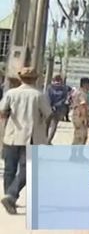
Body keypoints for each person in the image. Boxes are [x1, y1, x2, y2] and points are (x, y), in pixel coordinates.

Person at [0, 67, 53, 214]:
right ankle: (11, 196)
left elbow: (2, 111)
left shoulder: (11, 93)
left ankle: (9, 197)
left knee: (9, 169)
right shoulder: (39, 95)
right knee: (28, 169)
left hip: (11, 136)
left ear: (20, 78)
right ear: (35, 79)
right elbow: (48, 114)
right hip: (31, 137)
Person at [69, 77, 89, 160]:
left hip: (78, 116)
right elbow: (83, 106)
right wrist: (85, 118)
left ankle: (78, 154)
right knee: (80, 137)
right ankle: (75, 155)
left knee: (81, 136)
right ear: (85, 84)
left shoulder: (78, 92)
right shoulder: (82, 94)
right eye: (88, 84)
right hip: (80, 117)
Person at [45, 74, 70, 143]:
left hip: (49, 108)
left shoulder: (49, 87)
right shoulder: (64, 88)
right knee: (54, 125)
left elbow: (47, 97)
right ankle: (49, 140)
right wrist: (56, 105)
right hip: (59, 109)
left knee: (47, 124)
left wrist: (51, 105)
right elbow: (64, 99)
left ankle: (46, 139)